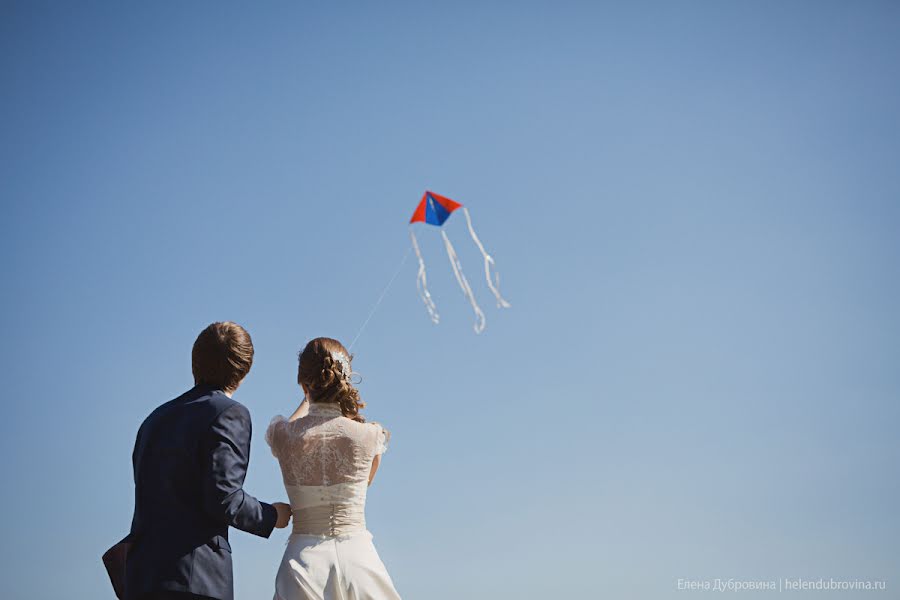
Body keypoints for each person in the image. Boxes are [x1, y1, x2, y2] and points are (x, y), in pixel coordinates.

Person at [119, 321, 293, 600]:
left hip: (140, 578)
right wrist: (272, 515)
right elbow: (223, 497)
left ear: (194, 361)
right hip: (194, 579)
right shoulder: (230, 413)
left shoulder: (154, 419)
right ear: (245, 369)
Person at [266, 337, 401, 600]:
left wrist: (307, 399)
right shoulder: (371, 436)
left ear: (304, 384)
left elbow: (285, 428)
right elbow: (365, 483)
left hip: (302, 566)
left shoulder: (283, 435)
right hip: (359, 563)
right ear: (345, 380)